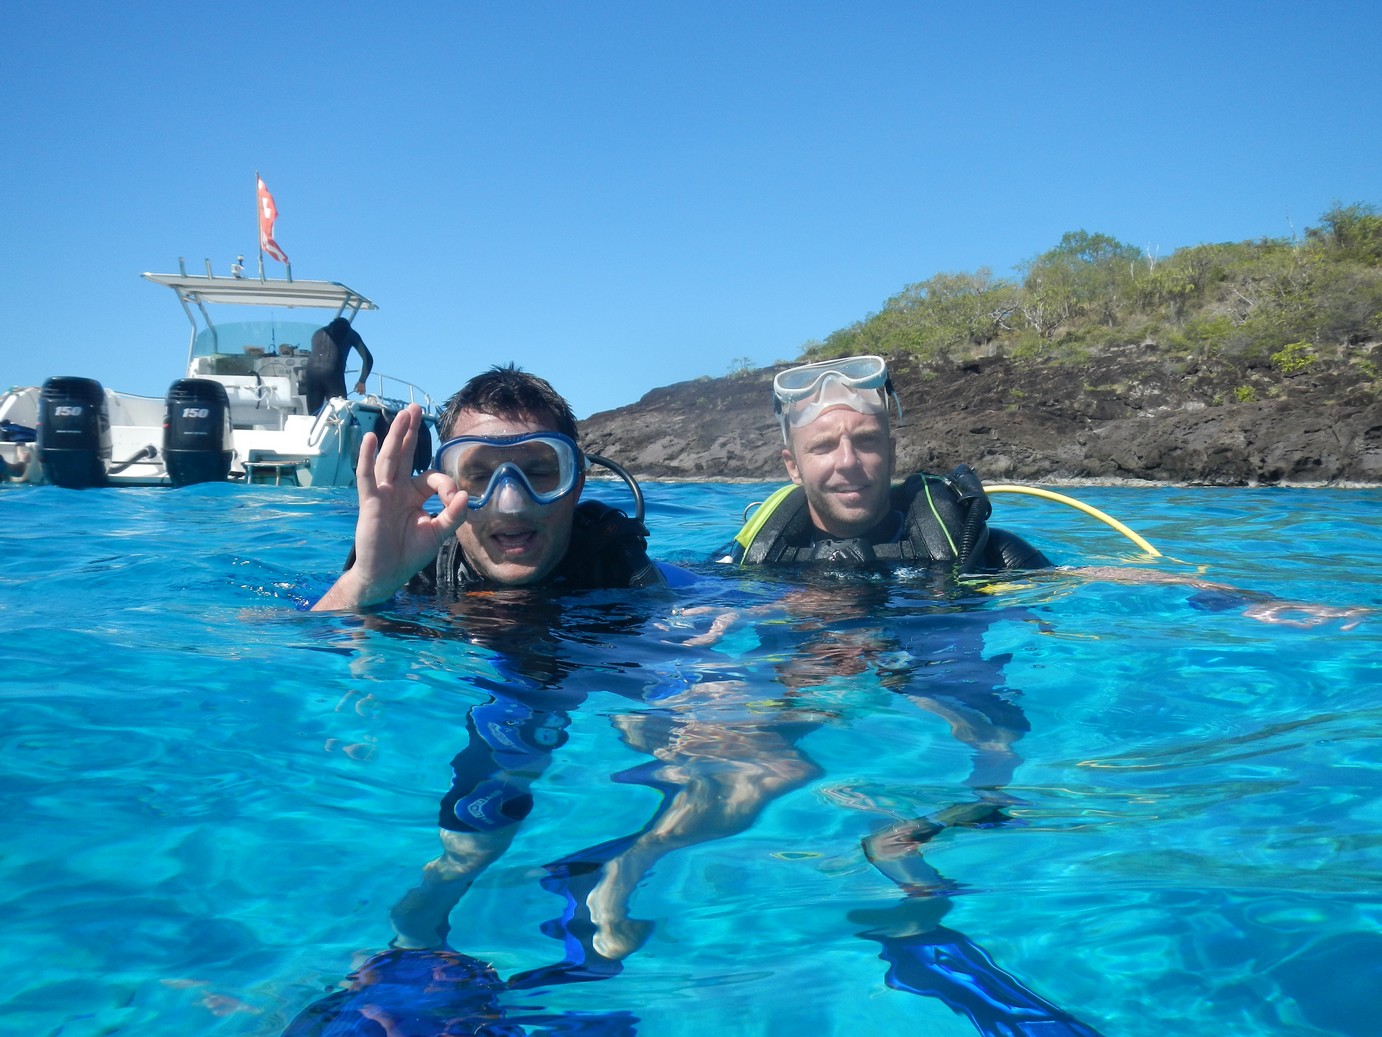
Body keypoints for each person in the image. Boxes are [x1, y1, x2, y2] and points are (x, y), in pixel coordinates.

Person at [313, 364, 674, 969]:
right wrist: (367, 583)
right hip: (505, 671)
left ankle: (617, 867)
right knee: (515, 728)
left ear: (577, 483)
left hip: (593, 649)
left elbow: (677, 654)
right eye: (478, 475)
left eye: (540, 472)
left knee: (707, 749)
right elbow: (303, 646)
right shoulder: (413, 557)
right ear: (447, 486)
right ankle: (436, 897)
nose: (512, 500)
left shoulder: (609, 559)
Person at [304, 316, 375, 415]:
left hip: (311, 373)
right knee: (340, 413)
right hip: (332, 374)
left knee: (313, 416)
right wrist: (362, 381)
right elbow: (368, 359)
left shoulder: (318, 333)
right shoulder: (350, 333)